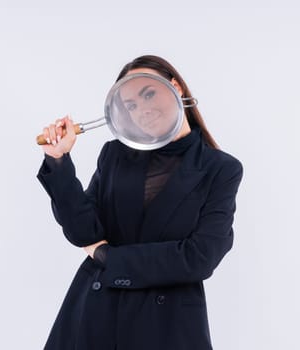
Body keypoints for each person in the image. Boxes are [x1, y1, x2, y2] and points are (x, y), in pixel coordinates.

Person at [37, 55, 243, 350]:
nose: (142, 109)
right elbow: (84, 231)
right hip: (95, 314)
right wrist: (58, 161)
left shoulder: (220, 168)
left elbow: (200, 257)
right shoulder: (114, 155)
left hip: (167, 326)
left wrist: (108, 257)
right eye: (131, 105)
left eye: (149, 93)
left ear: (176, 87)